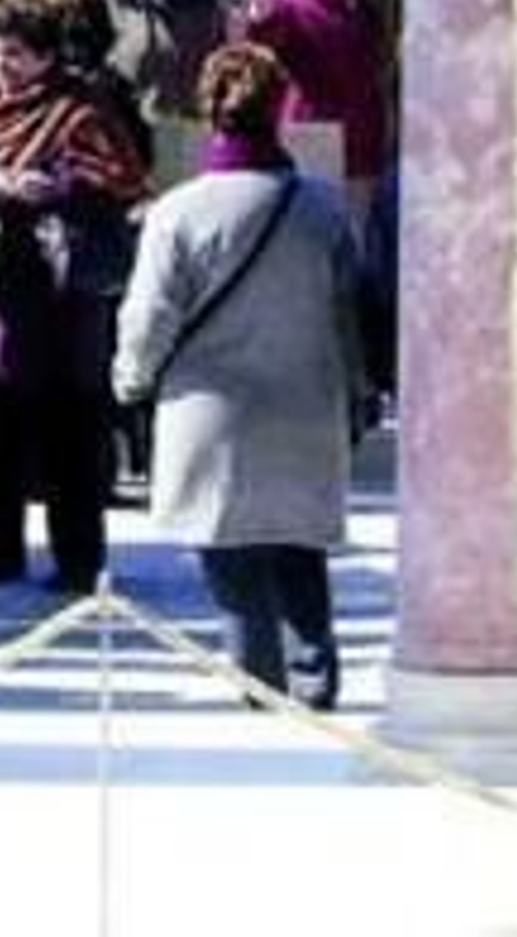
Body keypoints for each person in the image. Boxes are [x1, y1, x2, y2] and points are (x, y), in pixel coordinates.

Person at [112, 43, 363, 708]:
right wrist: (360, 390)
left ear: (207, 110)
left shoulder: (179, 211)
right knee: (297, 541)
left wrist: (131, 378)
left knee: (230, 547)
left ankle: (259, 683)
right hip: (306, 397)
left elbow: (149, 315)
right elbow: (352, 311)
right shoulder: (324, 208)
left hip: (209, 404)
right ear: (280, 106)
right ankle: (315, 673)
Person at [0, 0, 150, 593]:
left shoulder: (79, 109)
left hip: (64, 296)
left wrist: (54, 186)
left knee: (70, 424)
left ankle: (77, 557)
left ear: (45, 55)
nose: (2, 65)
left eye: (15, 53)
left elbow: (122, 175)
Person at [243, 0, 391, 221]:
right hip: (311, 136)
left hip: (362, 140)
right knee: (315, 235)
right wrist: (256, 16)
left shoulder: (360, 2)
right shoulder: (286, 1)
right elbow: (257, 37)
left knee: (357, 239)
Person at [108, 0, 232, 146]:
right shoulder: (115, 3)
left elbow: (221, 73)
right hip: (128, 136)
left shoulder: (210, 5)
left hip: (192, 134)